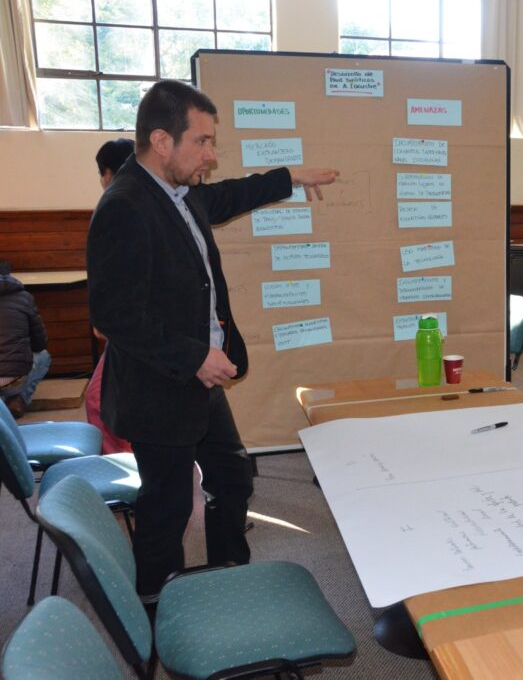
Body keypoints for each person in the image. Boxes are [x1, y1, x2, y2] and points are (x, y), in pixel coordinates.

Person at [87, 80, 340, 600]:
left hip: (196, 381)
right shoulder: (125, 205)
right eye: (201, 141)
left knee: (232, 476)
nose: (212, 154)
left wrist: (290, 177)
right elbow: (116, 315)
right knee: (168, 508)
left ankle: (229, 579)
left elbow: (228, 196)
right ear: (162, 141)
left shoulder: (178, 193)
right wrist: (196, 357)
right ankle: (160, 613)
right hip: (160, 387)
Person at [87, 138, 136, 453]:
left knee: (100, 401)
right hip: (131, 328)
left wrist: (105, 320)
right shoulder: (140, 201)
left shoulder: (118, 205)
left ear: (108, 172)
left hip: (130, 331)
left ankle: (125, 469)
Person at [0, 262, 51, 419]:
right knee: (43, 356)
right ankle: (19, 399)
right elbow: (39, 343)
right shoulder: (24, 297)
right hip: (11, 378)